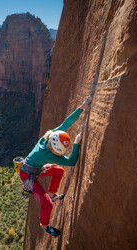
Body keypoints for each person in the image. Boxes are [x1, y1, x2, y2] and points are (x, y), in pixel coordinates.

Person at [19, 96, 92, 237]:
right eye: (56, 152)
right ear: (53, 148)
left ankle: (52, 195)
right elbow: (71, 161)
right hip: (28, 175)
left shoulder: (48, 136)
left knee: (58, 171)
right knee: (47, 205)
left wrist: (81, 108)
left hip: (34, 168)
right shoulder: (48, 154)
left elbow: (65, 125)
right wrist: (76, 144)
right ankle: (45, 225)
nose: (56, 155)